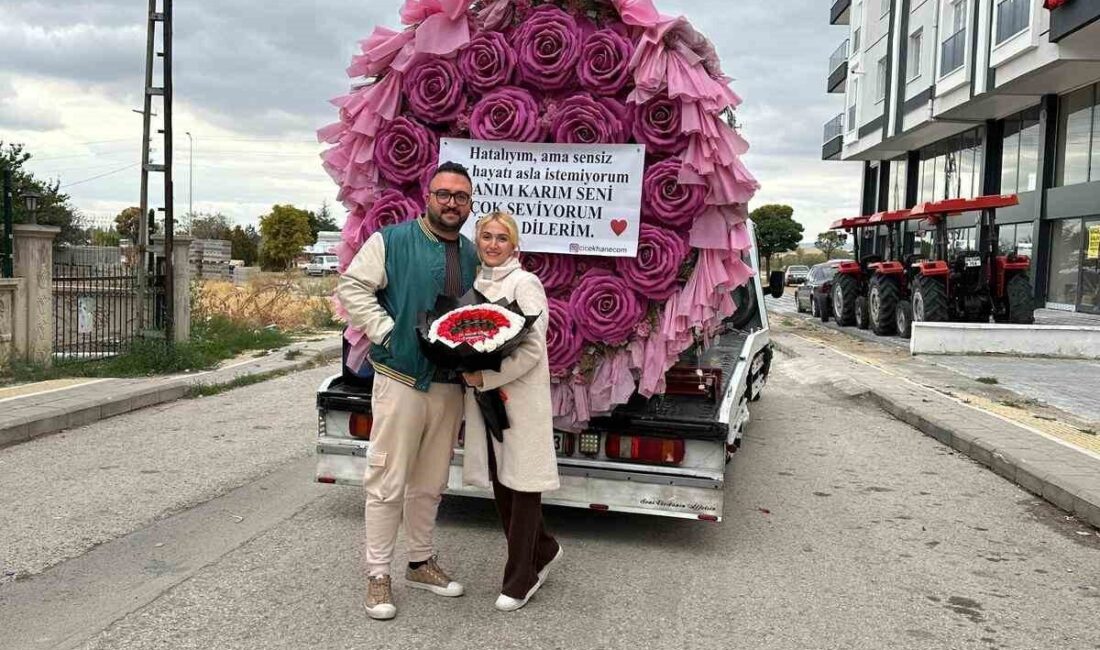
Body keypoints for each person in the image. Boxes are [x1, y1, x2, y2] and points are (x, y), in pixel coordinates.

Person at [338, 161, 480, 620]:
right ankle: (378, 574)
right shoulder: (392, 241)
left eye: (461, 196)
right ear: (428, 195)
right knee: (387, 480)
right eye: (444, 194)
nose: (452, 202)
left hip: (448, 385)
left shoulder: (474, 253)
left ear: (470, 203)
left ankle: (420, 562)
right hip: (401, 379)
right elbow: (353, 286)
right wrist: (387, 332)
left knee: (431, 483)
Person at [461, 211, 563, 613]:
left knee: (523, 486)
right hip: (485, 401)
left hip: (517, 400)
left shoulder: (525, 283)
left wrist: (486, 377)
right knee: (504, 483)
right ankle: (546, 548)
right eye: (486, 236)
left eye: (501, 238)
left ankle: (523, 576)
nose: (492, 244)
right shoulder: (475, 283)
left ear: (514, 245)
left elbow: (533, 347)